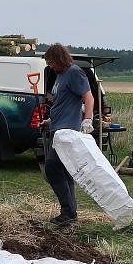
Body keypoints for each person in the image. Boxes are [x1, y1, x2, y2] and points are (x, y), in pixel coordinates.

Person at [43, 44, 95, 227]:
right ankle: (70, 212)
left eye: (51, 62)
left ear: (60, 59)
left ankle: (68, 211)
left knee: (52, 168)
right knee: (64, 171)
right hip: (57, 128)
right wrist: (50, 120)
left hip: (67, 132)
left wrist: (87, 119)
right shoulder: (60, 75)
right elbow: (63, 102)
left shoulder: (74, 73)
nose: (50, 66)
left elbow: (88, 97)